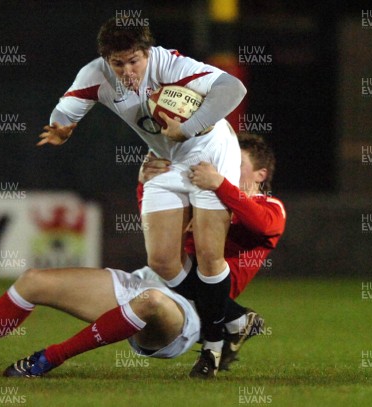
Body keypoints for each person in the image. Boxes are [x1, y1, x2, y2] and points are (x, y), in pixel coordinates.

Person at [37, 17, 247, 377]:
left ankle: (211, 350)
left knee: (210, 255)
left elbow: (233, 89)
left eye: (134, 60)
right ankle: (233, 317)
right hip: (166, 162)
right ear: (106, 60)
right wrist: (61, 127)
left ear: (148, 54)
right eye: (118, 63)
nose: (127, 69)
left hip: (212, 152)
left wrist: (189, 126)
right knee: (164, 262)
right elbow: (66, 109)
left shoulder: (173, 65)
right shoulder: (96, 75)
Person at [138, 133, 286, 377]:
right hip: (176, 286)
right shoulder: (200, 198)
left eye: (236, 163)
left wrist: (220, 184)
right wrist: (146, 184)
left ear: (260, 175)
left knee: (134, 306)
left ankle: (223, 330)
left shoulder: (270, 206)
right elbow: (157, 236)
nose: (225, 167)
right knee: (120, 294)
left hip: (203, 301)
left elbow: (263, 225)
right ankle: (234, 321)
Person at [0, 266, 200, 376]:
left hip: (185, 311)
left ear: (252, 175)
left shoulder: (233, 211)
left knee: (152, 302)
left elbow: (223, 286)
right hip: (142, 280)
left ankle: (51, 358)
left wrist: (216, 345)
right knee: (33, 281)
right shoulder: (180, 176)